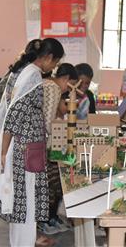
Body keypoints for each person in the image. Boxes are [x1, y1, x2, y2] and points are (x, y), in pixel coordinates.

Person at [0, 38, 64, 246]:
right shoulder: (32, 75)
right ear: (48, 58)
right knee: (26, 204)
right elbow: (14, 114)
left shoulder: (20, 72)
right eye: (55, 63)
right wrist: (4, 153)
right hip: (25, 149)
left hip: (22, 146)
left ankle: (24, 242)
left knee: (21, 204)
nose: (54, 68)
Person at [38, 63, 78, 235]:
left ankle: (50, 217)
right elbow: (48, 121)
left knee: (56, 185)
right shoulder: (53, 89)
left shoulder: (48, 86)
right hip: (47, 146)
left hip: (49, 145)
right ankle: (45, 219)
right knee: (53, 185)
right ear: (67, 79)